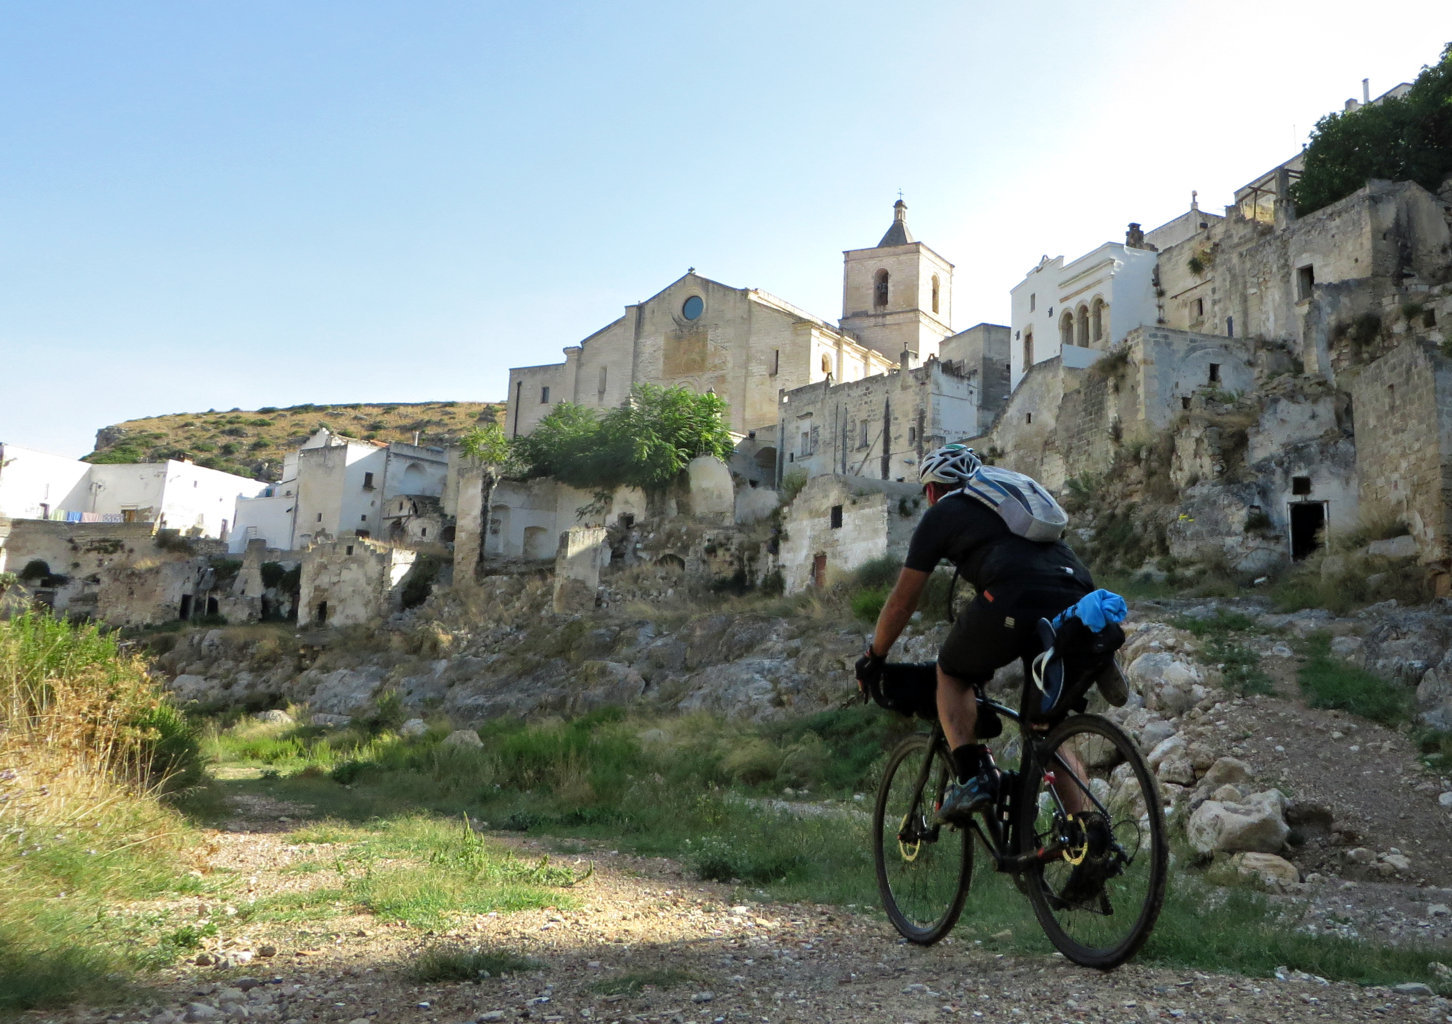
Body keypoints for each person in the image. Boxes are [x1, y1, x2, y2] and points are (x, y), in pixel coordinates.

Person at [855, 444, 1096, 824]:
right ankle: (1087, 835)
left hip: (1014, 595)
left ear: (932, 491)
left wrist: (875, 656)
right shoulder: (1012, 506)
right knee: (1043, 728)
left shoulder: (943, 513)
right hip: (1078, 594)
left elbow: (903, 602)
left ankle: (973, 778)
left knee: (952, 672)